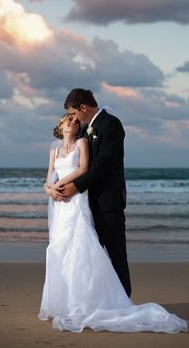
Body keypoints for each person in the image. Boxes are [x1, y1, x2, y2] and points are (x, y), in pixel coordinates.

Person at [38, 111, 188, 333]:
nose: (73, 121)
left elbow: (83, 169)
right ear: (60, 125)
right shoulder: (54, 150)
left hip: (76, 199)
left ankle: (86, 302)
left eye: (76, 120)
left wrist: (64, 185)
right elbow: (48, 177)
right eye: (68, 119)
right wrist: (51, 190)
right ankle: (64, 302)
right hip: (61, 204)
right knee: (59, 248)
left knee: (80, 248)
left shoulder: (82, 142)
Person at [54, 88, 131, 297]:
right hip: (86, 206)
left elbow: (103, 164)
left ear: (83, 107)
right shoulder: (87, 129)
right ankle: (96, 301)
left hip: (107, 202)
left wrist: (75, 186)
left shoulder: (111, 124)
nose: (74, 118)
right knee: (92, 259)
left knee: (116, 255)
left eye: (75, 113)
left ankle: (123, 302)